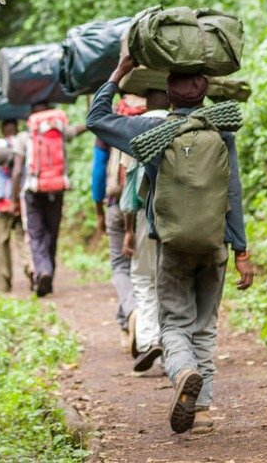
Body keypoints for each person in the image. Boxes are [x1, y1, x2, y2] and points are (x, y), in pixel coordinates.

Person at [87, 55, 255, 435]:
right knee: (205, 325)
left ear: (167, 95)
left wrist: (119, 72)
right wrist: (242, 250)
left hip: (173, 244)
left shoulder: (150, 132)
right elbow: (233, 192)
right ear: (206, 92)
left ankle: (183, 371)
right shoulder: (220, 130)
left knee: (174, 322)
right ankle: (204, 411)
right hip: (216, 243)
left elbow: (96, 118)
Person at [118, 88, 170, 373]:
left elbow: (128, 184)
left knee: (142, 277)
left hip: (143, 214)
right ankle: (170, 346)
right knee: (168, 279)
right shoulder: (179, 123)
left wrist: (127, 229)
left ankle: (149, 339)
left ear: (146, 102)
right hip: (176, 215)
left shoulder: (134, 129)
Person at [15, 102, 85, 297]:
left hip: (33, 190)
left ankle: (43, 271)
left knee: (36, 234)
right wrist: (94, 118)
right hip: (57, 188)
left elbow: (17, 170)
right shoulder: (60, 132)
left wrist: (14, 197)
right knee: (51, 233)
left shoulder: (25, 137)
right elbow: (78, 130)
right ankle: (49, 277)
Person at [93, 96, 146, 351]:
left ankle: (133, 312)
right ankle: (127, 322)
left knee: (120, 266)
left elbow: (98, 170)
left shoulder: (112, 122)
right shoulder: (156, 115)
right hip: (150, 206)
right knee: (144, 266)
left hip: (117, 203)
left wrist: (98, 209)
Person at [0, 119, 29, 292]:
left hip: (2, 202)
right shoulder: (26, 145)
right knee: (23, 240)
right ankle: (31, 270)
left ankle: (4, 284)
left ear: (3, 130)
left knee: (2, 243)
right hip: (22, 201)